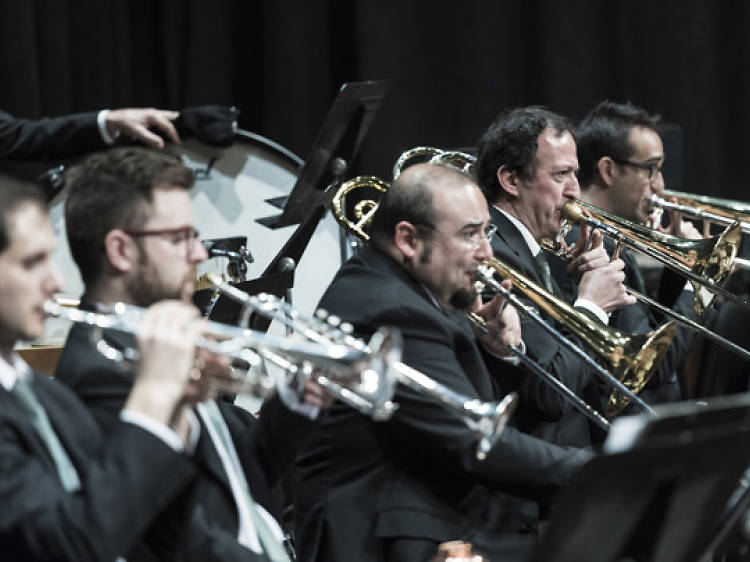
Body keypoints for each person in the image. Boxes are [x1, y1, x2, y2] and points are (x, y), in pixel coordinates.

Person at [293, 162, 592, 562]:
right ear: (408, 239)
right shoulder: (392, 308)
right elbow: (475, 443)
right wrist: (604, 474)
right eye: (470, 235)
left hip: (424, 522)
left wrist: (499, 353)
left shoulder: (404, 289)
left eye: (486, 232)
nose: (486, 252)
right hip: (383, 540)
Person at [56, 146, 326, 562]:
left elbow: (241, 477)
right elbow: (182, 535)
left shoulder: (163, 338)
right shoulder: (101, 368)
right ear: (120, 251)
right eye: (180, 238)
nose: (200, 254)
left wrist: (297, 397)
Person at [0, 176, 208, 561]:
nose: (57, 281)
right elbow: (68, 547)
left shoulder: (48, 397)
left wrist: (174, 415)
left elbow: (153, 535)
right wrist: (152, 396)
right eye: (33, 262)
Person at [475, 105, 637, 447]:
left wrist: (600, 298)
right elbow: (551, 394)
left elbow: (597, 382)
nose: (575, 191)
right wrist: (592, 307)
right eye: (561, 174)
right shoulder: (494, 253)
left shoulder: (534, 247)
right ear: (511, 180)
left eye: (575, 175)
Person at [567, 100, 704, 402]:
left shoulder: (608, 233)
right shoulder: (594, 243)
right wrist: (699, 283)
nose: (660, 185)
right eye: (651, 169)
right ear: (608, 170)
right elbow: (653, 364)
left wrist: (678, 267)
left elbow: (653, 326)